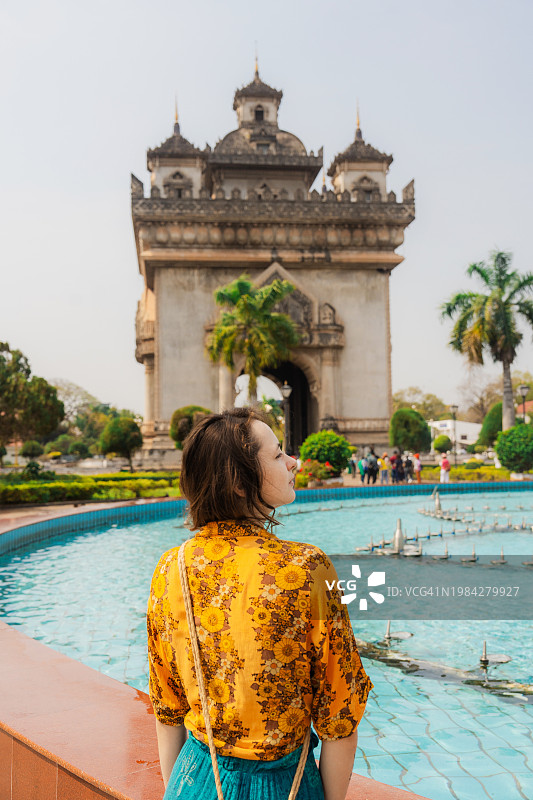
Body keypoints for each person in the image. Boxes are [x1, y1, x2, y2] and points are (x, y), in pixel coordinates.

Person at [147, 407, 373, 800]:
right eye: (278, 454)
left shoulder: (172, 566)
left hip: (195, 778)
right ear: (239, 482)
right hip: (283, 786)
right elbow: (340, 719)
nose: (294, 462)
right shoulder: (306, 568)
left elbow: (167, 707)